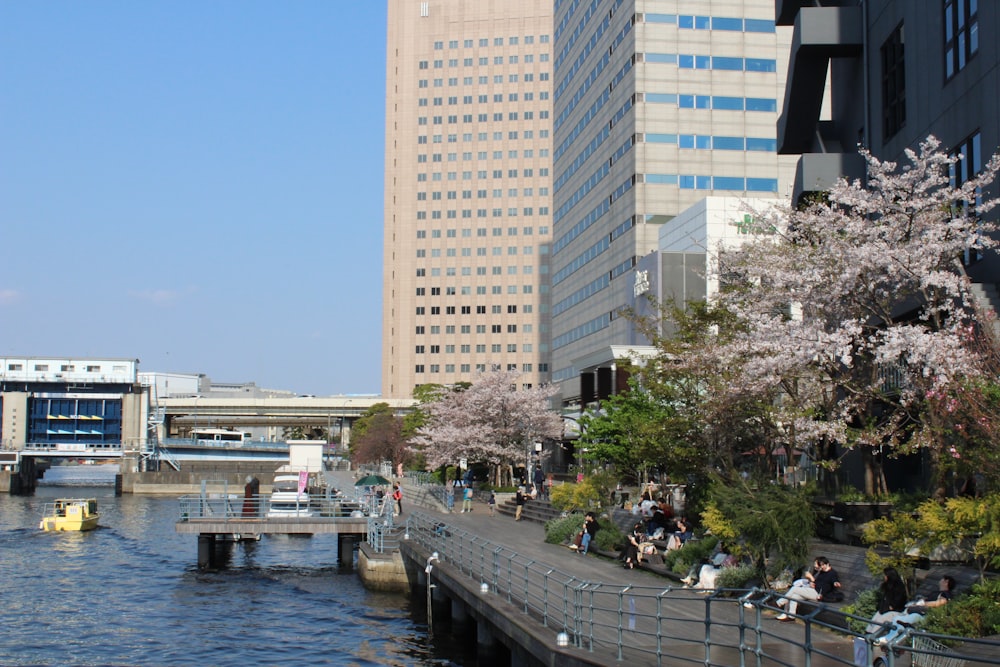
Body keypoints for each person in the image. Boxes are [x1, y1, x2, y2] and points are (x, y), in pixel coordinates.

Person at [876, 576, 957, 645]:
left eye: (942, 579)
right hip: (919, 613)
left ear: (946, 582)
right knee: (897, 619)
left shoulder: (946, 594)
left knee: (905, 619)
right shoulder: (937, 592)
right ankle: (890, 638)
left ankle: (888, 639)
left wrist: (924, 603)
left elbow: (940, 603)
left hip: (926, 616)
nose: (940, 580)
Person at [775, 556, 842, 622]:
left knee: (794, 589)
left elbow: (833, 581)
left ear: (825, 564)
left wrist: (836, 583)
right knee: (793, 596)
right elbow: (816, 583)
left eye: (819, 565)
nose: (818, 567)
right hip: (811, 590)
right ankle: (790, 616)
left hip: (817, 594)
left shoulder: (832, 573)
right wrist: (811, 582)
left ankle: (779, 603)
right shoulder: (820, 572)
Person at [866, 567, 909, 633]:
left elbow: (897, 601)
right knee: (872, 622)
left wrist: (891, 606)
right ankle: (866, 634)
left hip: (894, 611)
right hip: (883, 610)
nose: (884, 577)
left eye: (885, 575)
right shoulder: (887, 586)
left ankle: (872, 637)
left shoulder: (899, 587)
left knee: (879, 623)